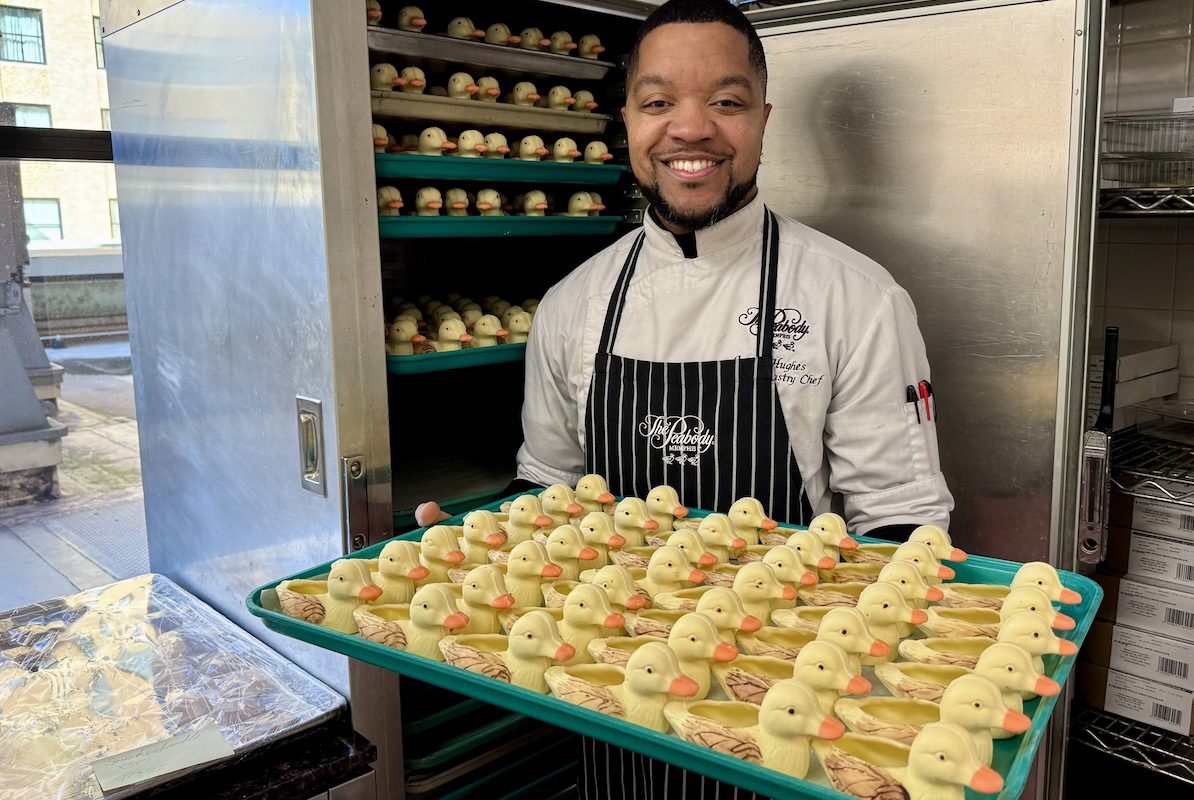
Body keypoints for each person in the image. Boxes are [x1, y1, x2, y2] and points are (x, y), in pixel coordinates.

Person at [417, 0, 952, 796]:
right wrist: (479, 547)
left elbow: (901, 527)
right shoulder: (574, 305)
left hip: (788, 711)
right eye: (659, 101)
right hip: (610, 695)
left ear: (764, 118)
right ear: (626, 119)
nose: (691, 129)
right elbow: (549, 489)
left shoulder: (857, 299)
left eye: (727, 102)